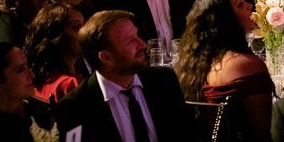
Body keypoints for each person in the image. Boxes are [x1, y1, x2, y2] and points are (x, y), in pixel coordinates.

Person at [54, 9, 197, 141]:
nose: (142, 44)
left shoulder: (164, 81)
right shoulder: (74, 108)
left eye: (137, 35)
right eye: (130, 41)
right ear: (106, 57)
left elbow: (188, 135)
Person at [174, 0, 274, 142]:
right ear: (225, 19)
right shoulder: (248, 65)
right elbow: (264, 134)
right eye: (240, 4)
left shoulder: (191, 66)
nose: (249, 6)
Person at [23, 2, 86, 105]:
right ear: (56, 37)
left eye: (84, 25)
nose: (85, 32)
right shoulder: (69, 84)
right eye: (76, 26)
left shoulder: (38, 79)